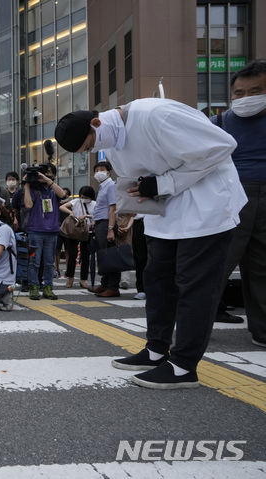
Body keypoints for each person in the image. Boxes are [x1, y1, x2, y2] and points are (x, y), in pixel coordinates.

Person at [55, 98, 247, 389]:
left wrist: (162, 184)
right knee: (156, 280)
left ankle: (184, 365)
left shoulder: (156, 115)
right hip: (163, 215)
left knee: (194, 285)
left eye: (89, 145)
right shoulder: (114, 139)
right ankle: (156, 350)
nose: (92, 152)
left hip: (205, 209)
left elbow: (222, 145)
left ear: (96, 123)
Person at [210, 59, 266, 342]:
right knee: (214, 264)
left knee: (261, 268)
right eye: (239, 93)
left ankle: (263, 331)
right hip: (230, 194)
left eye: (255, 92)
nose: (246, 99)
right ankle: (190, 327)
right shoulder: (217, 123)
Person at [22, 163, 67, 300]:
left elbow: (63, 195)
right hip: (35, 231)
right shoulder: (34, 190)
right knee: (34, 262)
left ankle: (48, 287)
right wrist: (27, 184)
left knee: (49, 262)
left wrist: (48, 181)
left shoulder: (54, 190)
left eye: (47, 172)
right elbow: (28, 205)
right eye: (42, 173)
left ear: (53, 175)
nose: (43, 175)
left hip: (52, 232)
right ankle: (34, 287)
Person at [87, 161, 120, 297]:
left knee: (110, 256)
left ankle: (113, 287)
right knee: (103, 256)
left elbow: (113, 208)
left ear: (109, 172)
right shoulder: (103, 187)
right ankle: (105, 284)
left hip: (107, 223)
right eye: (96, 170)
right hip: (101, 223)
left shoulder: (111, 186)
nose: (98, 172)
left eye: (101, 169)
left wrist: (111, 229)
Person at [59, 185, 95, 289]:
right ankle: (70, 278)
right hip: (74, 231)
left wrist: (87, 216)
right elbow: (61, 206)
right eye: (82, 196)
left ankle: (83, 280)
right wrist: (71, 212)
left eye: (86, 197)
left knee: (86, 256)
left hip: (88, 232)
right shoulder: (76, 201)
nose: (83, 199)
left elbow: (99, 214)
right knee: (72, 255)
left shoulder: (95, 204)